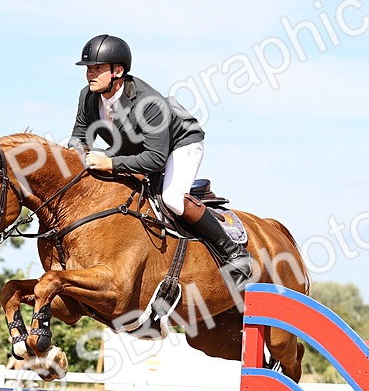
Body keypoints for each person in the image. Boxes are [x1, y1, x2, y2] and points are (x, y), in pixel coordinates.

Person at [68, 34, 253, 293]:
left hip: (181, 143)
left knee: (172, 198)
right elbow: (78, 138)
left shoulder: (147, 102)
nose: (90, 74)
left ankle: (234, 253)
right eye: (88, 68)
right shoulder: (88, 96)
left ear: (117, 71)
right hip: (135, 147)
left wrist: (110, 162)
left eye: (97, 68)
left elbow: (155, 159)